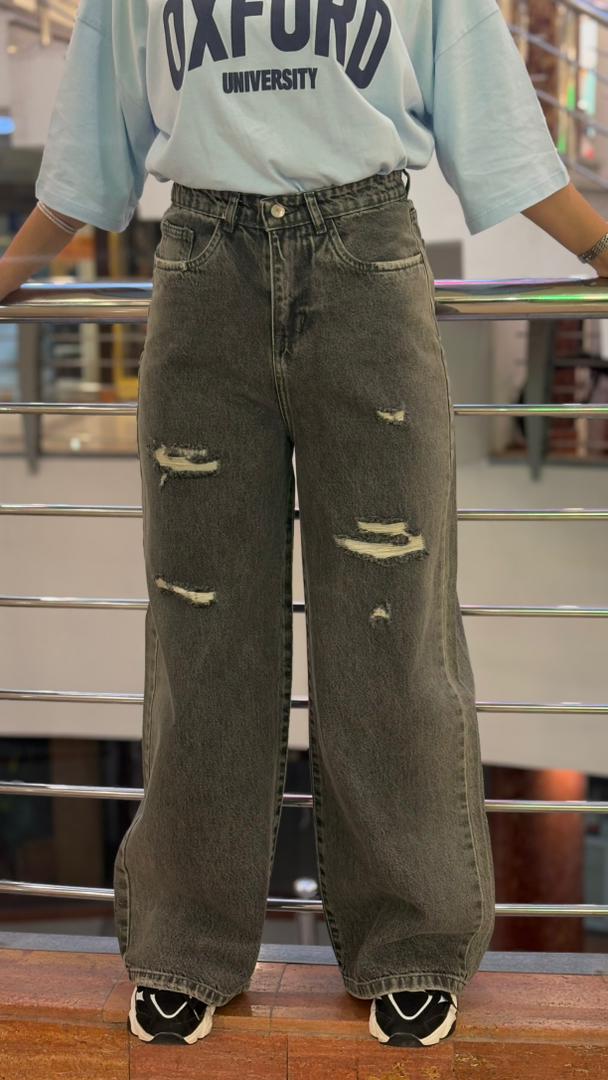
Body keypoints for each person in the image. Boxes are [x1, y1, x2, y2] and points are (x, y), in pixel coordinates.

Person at [1, 0, 607, 1051]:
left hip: (366, 259)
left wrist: (596, 243)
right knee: (199, 617)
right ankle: (184, 941)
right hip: (201, 266)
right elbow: (94, 139)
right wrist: (14, 263)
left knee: (391, 622)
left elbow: (494, 122)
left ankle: (411, 938)